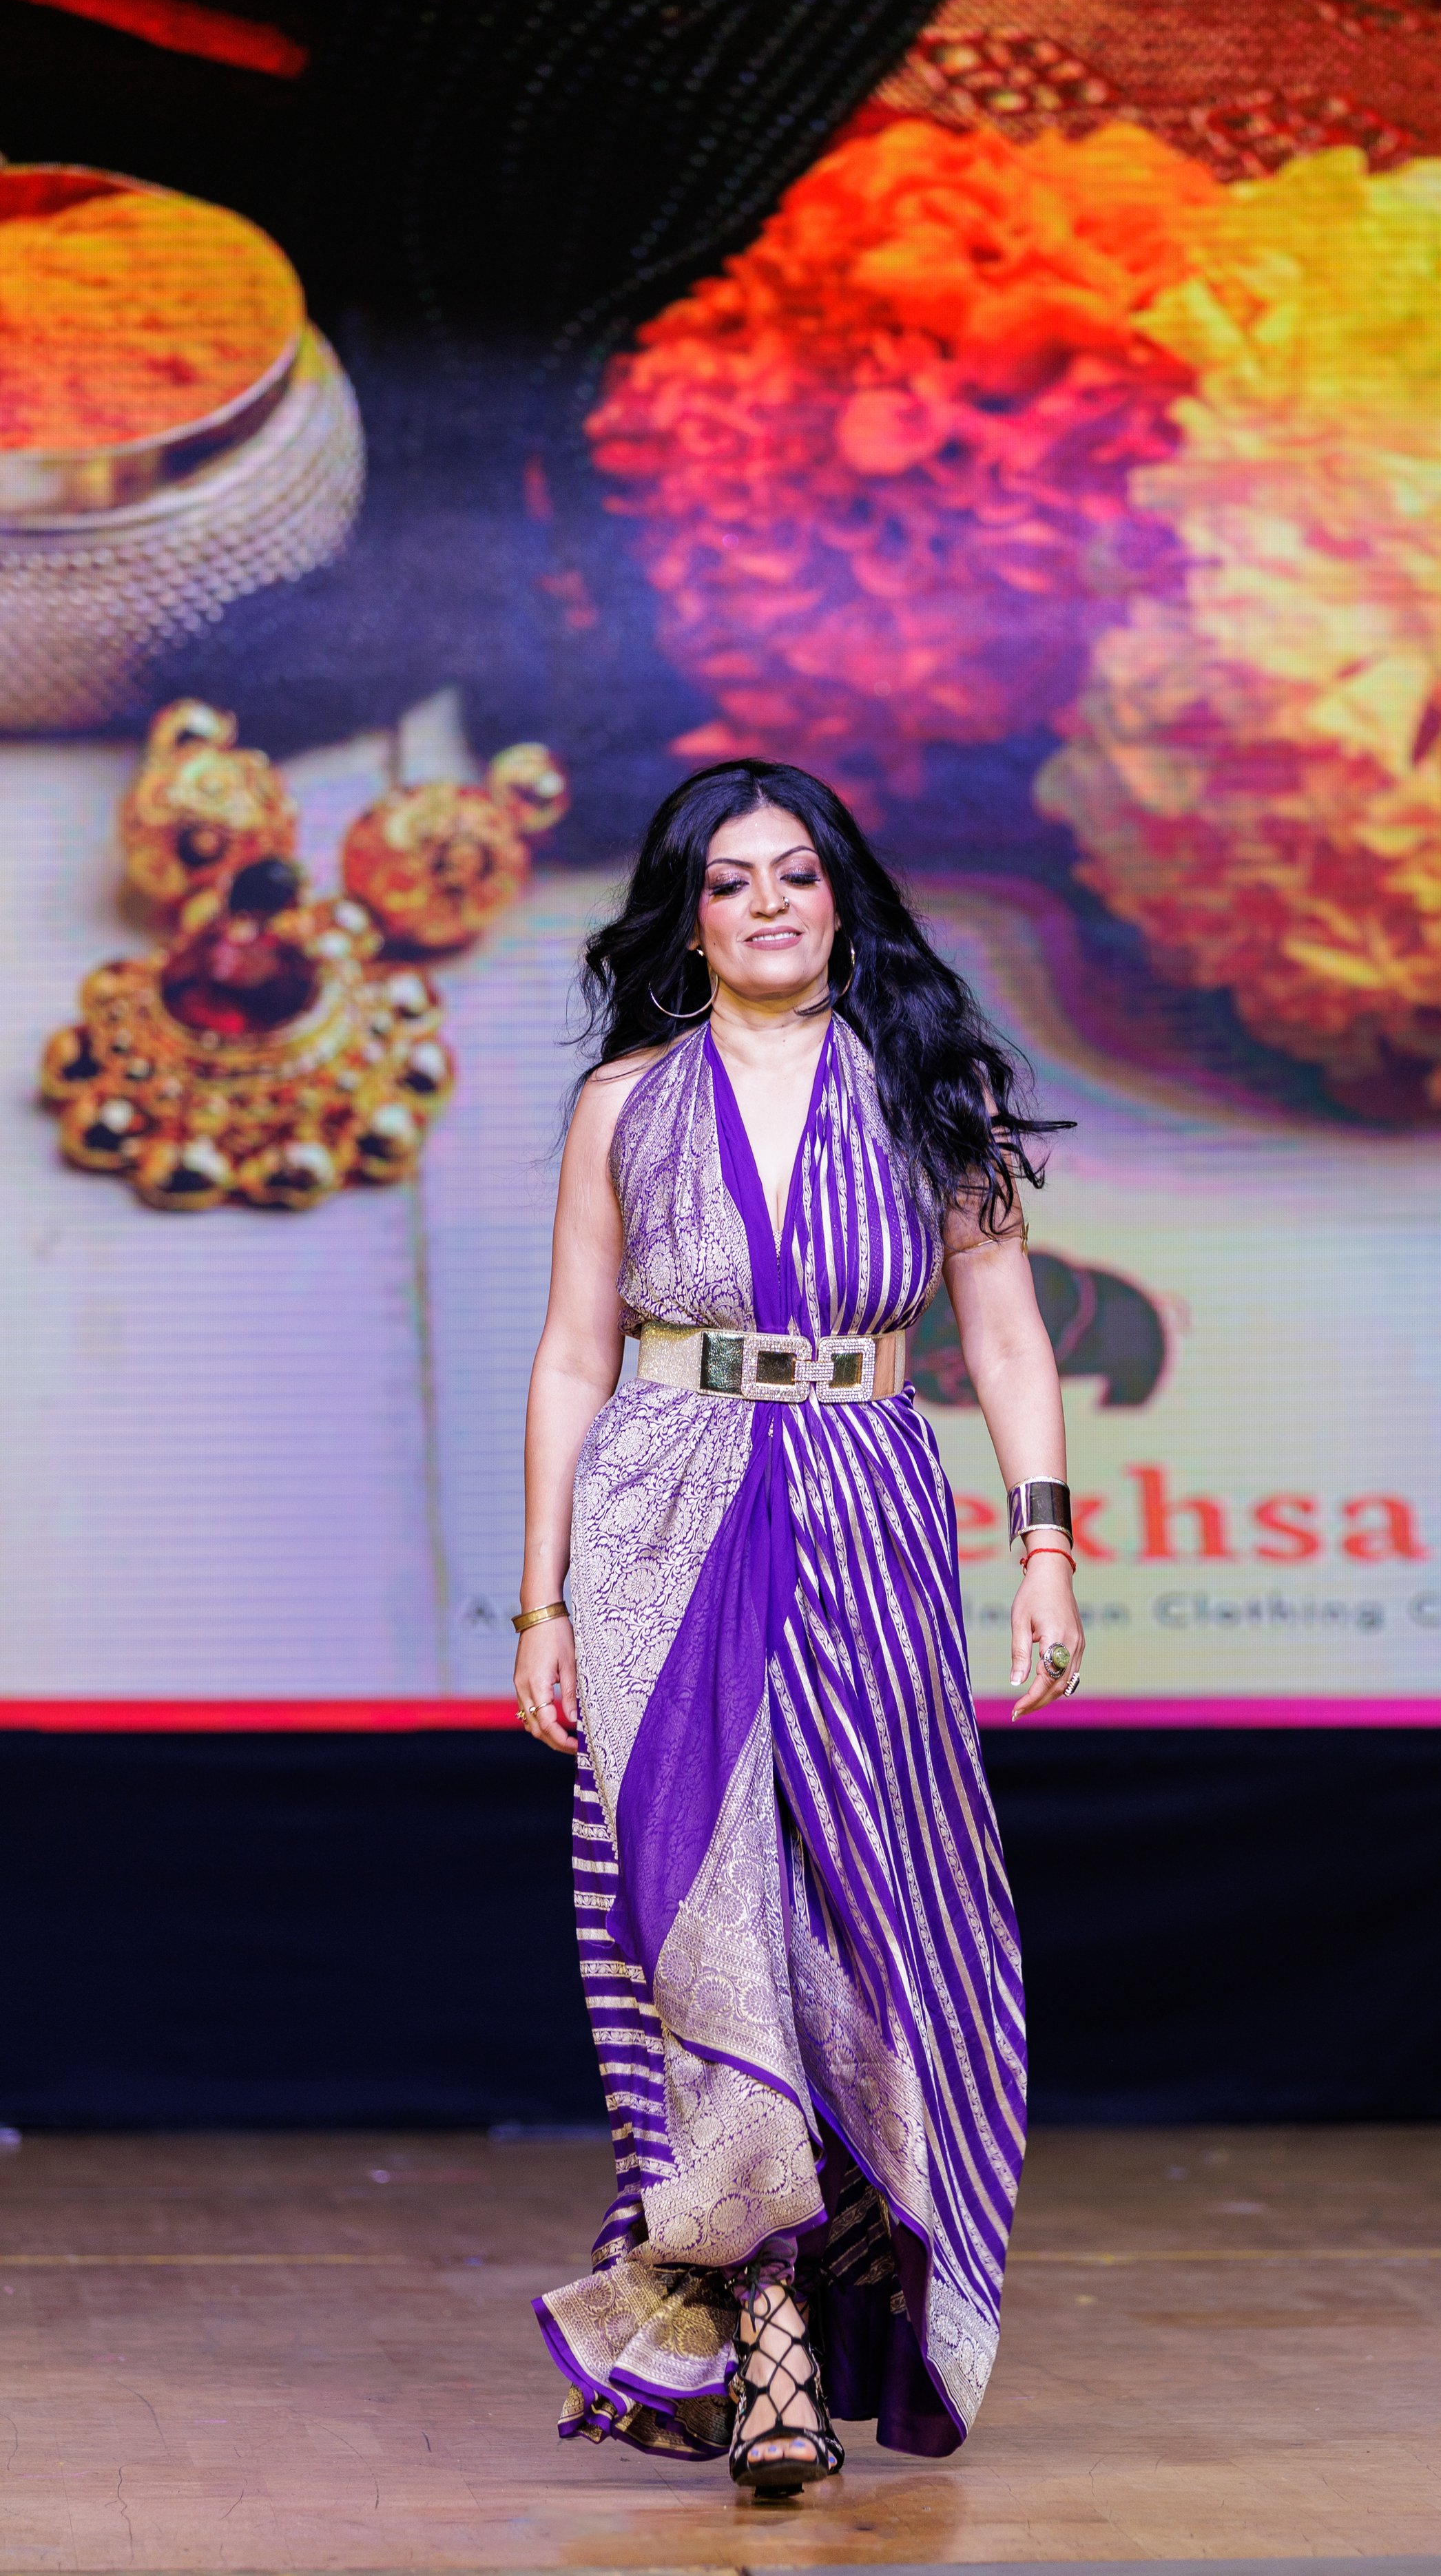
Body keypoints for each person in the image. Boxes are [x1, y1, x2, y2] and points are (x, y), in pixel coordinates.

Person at [512, 759, 1084, 2493]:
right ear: (685, 917)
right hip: (661, 1516)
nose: (767, 903)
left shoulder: (928, 1086)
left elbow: (1003, 1343)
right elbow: (570, 1354)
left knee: (863, 1916)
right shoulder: (625, 1102)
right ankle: (759, 2332)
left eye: (796, 873)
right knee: (702, 1921)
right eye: (729, 881)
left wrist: (1042, 1548)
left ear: (842, 894)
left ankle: (827, 2280)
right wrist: (538, 1603)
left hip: (862, 1498)